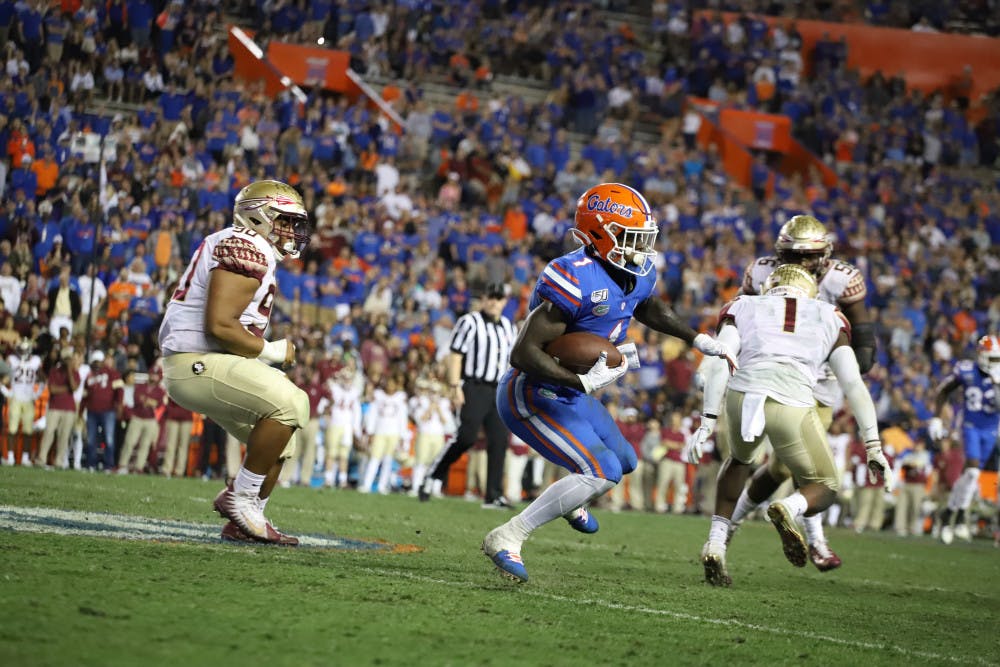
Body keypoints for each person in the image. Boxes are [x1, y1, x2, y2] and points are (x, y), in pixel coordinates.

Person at [481, 182, 736, 582]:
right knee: (601, 471)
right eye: (630, 238)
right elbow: (523, 353)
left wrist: (697, 338)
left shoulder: (637, 270)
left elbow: (648, 305)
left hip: (570, 391)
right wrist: (581, 383)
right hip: (531, 392)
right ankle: (508, 535)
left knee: (626, 462)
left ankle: (570, 499)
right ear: (600, 234)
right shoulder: (572, 276)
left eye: (643, 238)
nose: (641, 248)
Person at [690, 264, 891, 587]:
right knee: (824, 485)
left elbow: (720, 359)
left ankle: (715, 542)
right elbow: (853, 383)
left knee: (740, 461)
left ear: (770, 288)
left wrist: (707, 420)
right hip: (792, 400)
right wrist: (872, 444)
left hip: (743, 394)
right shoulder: (830, 314)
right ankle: (788, 505)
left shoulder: (743, 304)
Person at [719, 215, 876, 571]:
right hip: (766, 373)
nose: (800, 264)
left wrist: (852, 362)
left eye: (807, 256)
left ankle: (732, 524)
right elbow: (740, 318)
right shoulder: (761, 274)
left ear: (823, 255)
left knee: (782, 466)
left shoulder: (840, 279)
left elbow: (864, 339)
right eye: (793, 255)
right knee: (801, 465)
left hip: (816, 381)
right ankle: (816, 542)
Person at [158, 179, 311, 546]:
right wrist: (271, 351)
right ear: (258, 216)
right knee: (293, 403)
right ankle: (239, 500)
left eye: (295, 223)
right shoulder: (245, 245)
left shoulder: (250, 247)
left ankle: (245, 522)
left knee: (282, 443)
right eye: (284, 220)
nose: (291, 231)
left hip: (207, 361)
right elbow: (219, 326)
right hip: (195, 361)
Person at [418, 281, 517, 509]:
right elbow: (456, 354)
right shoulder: (470, 322)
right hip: (474, 386)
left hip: (498, 389)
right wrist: (455, 386)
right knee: (466, 437)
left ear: (504, 302)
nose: (493, 301)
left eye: (498, 297)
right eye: (490, 296)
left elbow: (511, 361)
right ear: (483, 299)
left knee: (500, 440)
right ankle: (432, 475)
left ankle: (493, 495)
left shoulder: (508, 326)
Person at [927, 335, 1000, 544]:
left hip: (991, 430)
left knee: (970, 475)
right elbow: (943, 391)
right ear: (981, 356)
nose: (996, 364)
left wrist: (996, 385)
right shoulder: (966, 370)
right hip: (970, 426)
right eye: (992, 359)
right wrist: (936, 419)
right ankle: (958, 516)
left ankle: (950, 512)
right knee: (974, 470)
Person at [36, 348, 80, 468]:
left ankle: (59, 461)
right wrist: (66, 389)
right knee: (49, 432)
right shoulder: (55, 371)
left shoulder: (74, 373)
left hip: (69, 409)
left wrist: (70, 371)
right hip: (54, 407)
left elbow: (74, 387)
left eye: (69, 359)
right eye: (66, 359)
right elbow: (52, 389)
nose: (67, 361)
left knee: (64, 435)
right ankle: (41, 459)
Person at [2, 339, 42, 466]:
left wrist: (37, 393)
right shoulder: (12, 359)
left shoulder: (36, 361)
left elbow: (42, 378)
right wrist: (5, 390)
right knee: (12, 430)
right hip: (16, 397)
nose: (23, 352)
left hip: (28, 399)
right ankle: (10, 457)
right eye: (21, 349)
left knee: (28, 431)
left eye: (25, 350)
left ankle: (25, 458)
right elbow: (4, 373)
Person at [82, 350, 123, 472]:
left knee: (109, 440)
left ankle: (108, 465)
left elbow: (120, 391)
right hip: (92, 411)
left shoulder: (113, 373)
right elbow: (85, 395)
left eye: (98, 361)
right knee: (91, 439)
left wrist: (119, 406)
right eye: (94, 361)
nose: (97, 364)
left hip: (108, 411)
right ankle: (91, 464)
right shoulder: (89, 375)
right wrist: (81, 411)